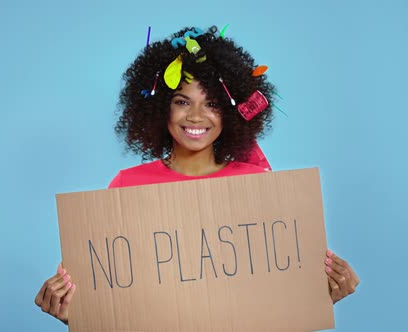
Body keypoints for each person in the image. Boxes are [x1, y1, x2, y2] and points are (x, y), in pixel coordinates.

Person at [34, 25, 360, 325]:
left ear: (229, 112)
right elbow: (112, 301)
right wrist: (73, 313)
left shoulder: (257, 184)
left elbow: (275, 303)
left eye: (212, 104)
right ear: (162, 107)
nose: (196, 116)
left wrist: (321, 293)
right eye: (182, 101)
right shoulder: (126, 185)